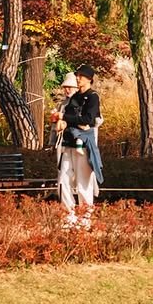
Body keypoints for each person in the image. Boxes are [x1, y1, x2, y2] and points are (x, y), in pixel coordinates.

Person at [55, 64, 104, 228]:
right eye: (77, 75)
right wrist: (61, 121)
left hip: (83, 146)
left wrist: (64, 117)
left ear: (89, 79)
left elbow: (89, 120)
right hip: (68, 144)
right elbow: (69, 117)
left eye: (81, 76)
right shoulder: (74, 97)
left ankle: (85, 219)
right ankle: (68, 218)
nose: (78, 78)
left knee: (84, 183)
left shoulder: (93, 97)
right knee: (63, 180)